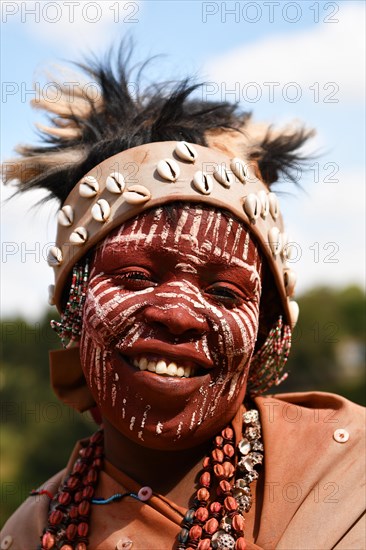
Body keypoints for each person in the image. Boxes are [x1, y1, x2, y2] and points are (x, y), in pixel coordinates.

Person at [1, 51, 364, 550]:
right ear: (75, 307)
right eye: (133, 276)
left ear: (265, 332)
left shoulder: (349, 474)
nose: (176, 314)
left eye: (223, 291)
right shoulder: (31, 533)